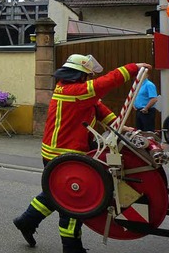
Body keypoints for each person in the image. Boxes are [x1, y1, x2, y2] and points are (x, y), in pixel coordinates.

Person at [13, 54, 151, 253]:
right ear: (79, 75)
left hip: (59, 153)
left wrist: (119, 127)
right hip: (63, 154)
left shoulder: (71, 90)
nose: (88, 79)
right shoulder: (73, 91)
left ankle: (26, 221)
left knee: (56, 193)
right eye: (87, 75)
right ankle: (71, 248)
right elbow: (104, 84)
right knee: (73, 200)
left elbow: (97, 106)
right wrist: (132, 68)